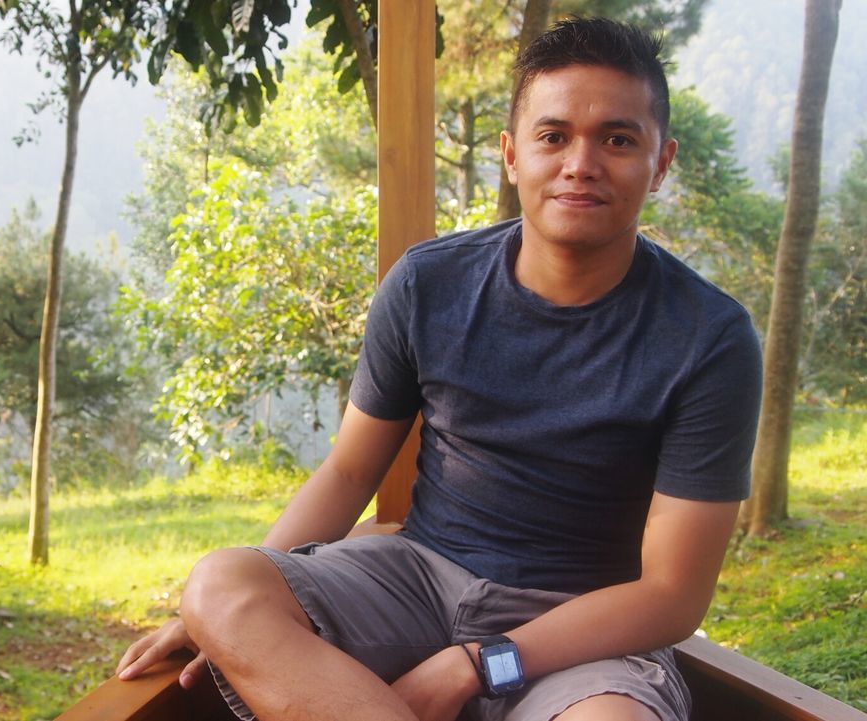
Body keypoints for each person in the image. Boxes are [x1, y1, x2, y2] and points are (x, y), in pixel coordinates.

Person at [116, 16, 762, 721]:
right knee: (218, 583)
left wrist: (478, 662)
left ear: (660, 162)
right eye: (554, 136)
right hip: (416, 580)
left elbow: (671, 594)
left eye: (617, 138)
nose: (581, 163)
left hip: (584, 625)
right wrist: (224, 612)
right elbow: (349, 472)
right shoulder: (430, 284)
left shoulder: (709, 338)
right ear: (512, 156)